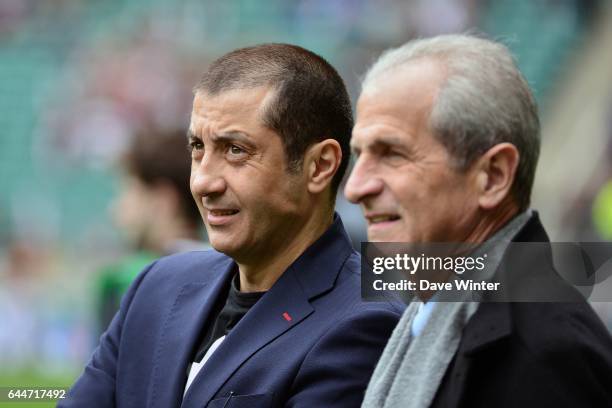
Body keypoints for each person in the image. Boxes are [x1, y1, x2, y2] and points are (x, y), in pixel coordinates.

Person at [60, 43, 403, 408]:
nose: (203, 182)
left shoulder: (363, 325)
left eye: (235, 150)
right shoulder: (156, 287)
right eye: (197, 147)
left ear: (319, 166)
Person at [344, 34, 612, 407]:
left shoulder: (546, 354)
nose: (355, 188)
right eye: (360, 155)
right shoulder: (434, 314)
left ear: (494, 176)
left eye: (391, 153)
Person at [98, 128, 207, 330]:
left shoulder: (126, 282)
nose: (116, 210)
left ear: (163, 201)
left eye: (128, 192)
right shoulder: (231, 272)